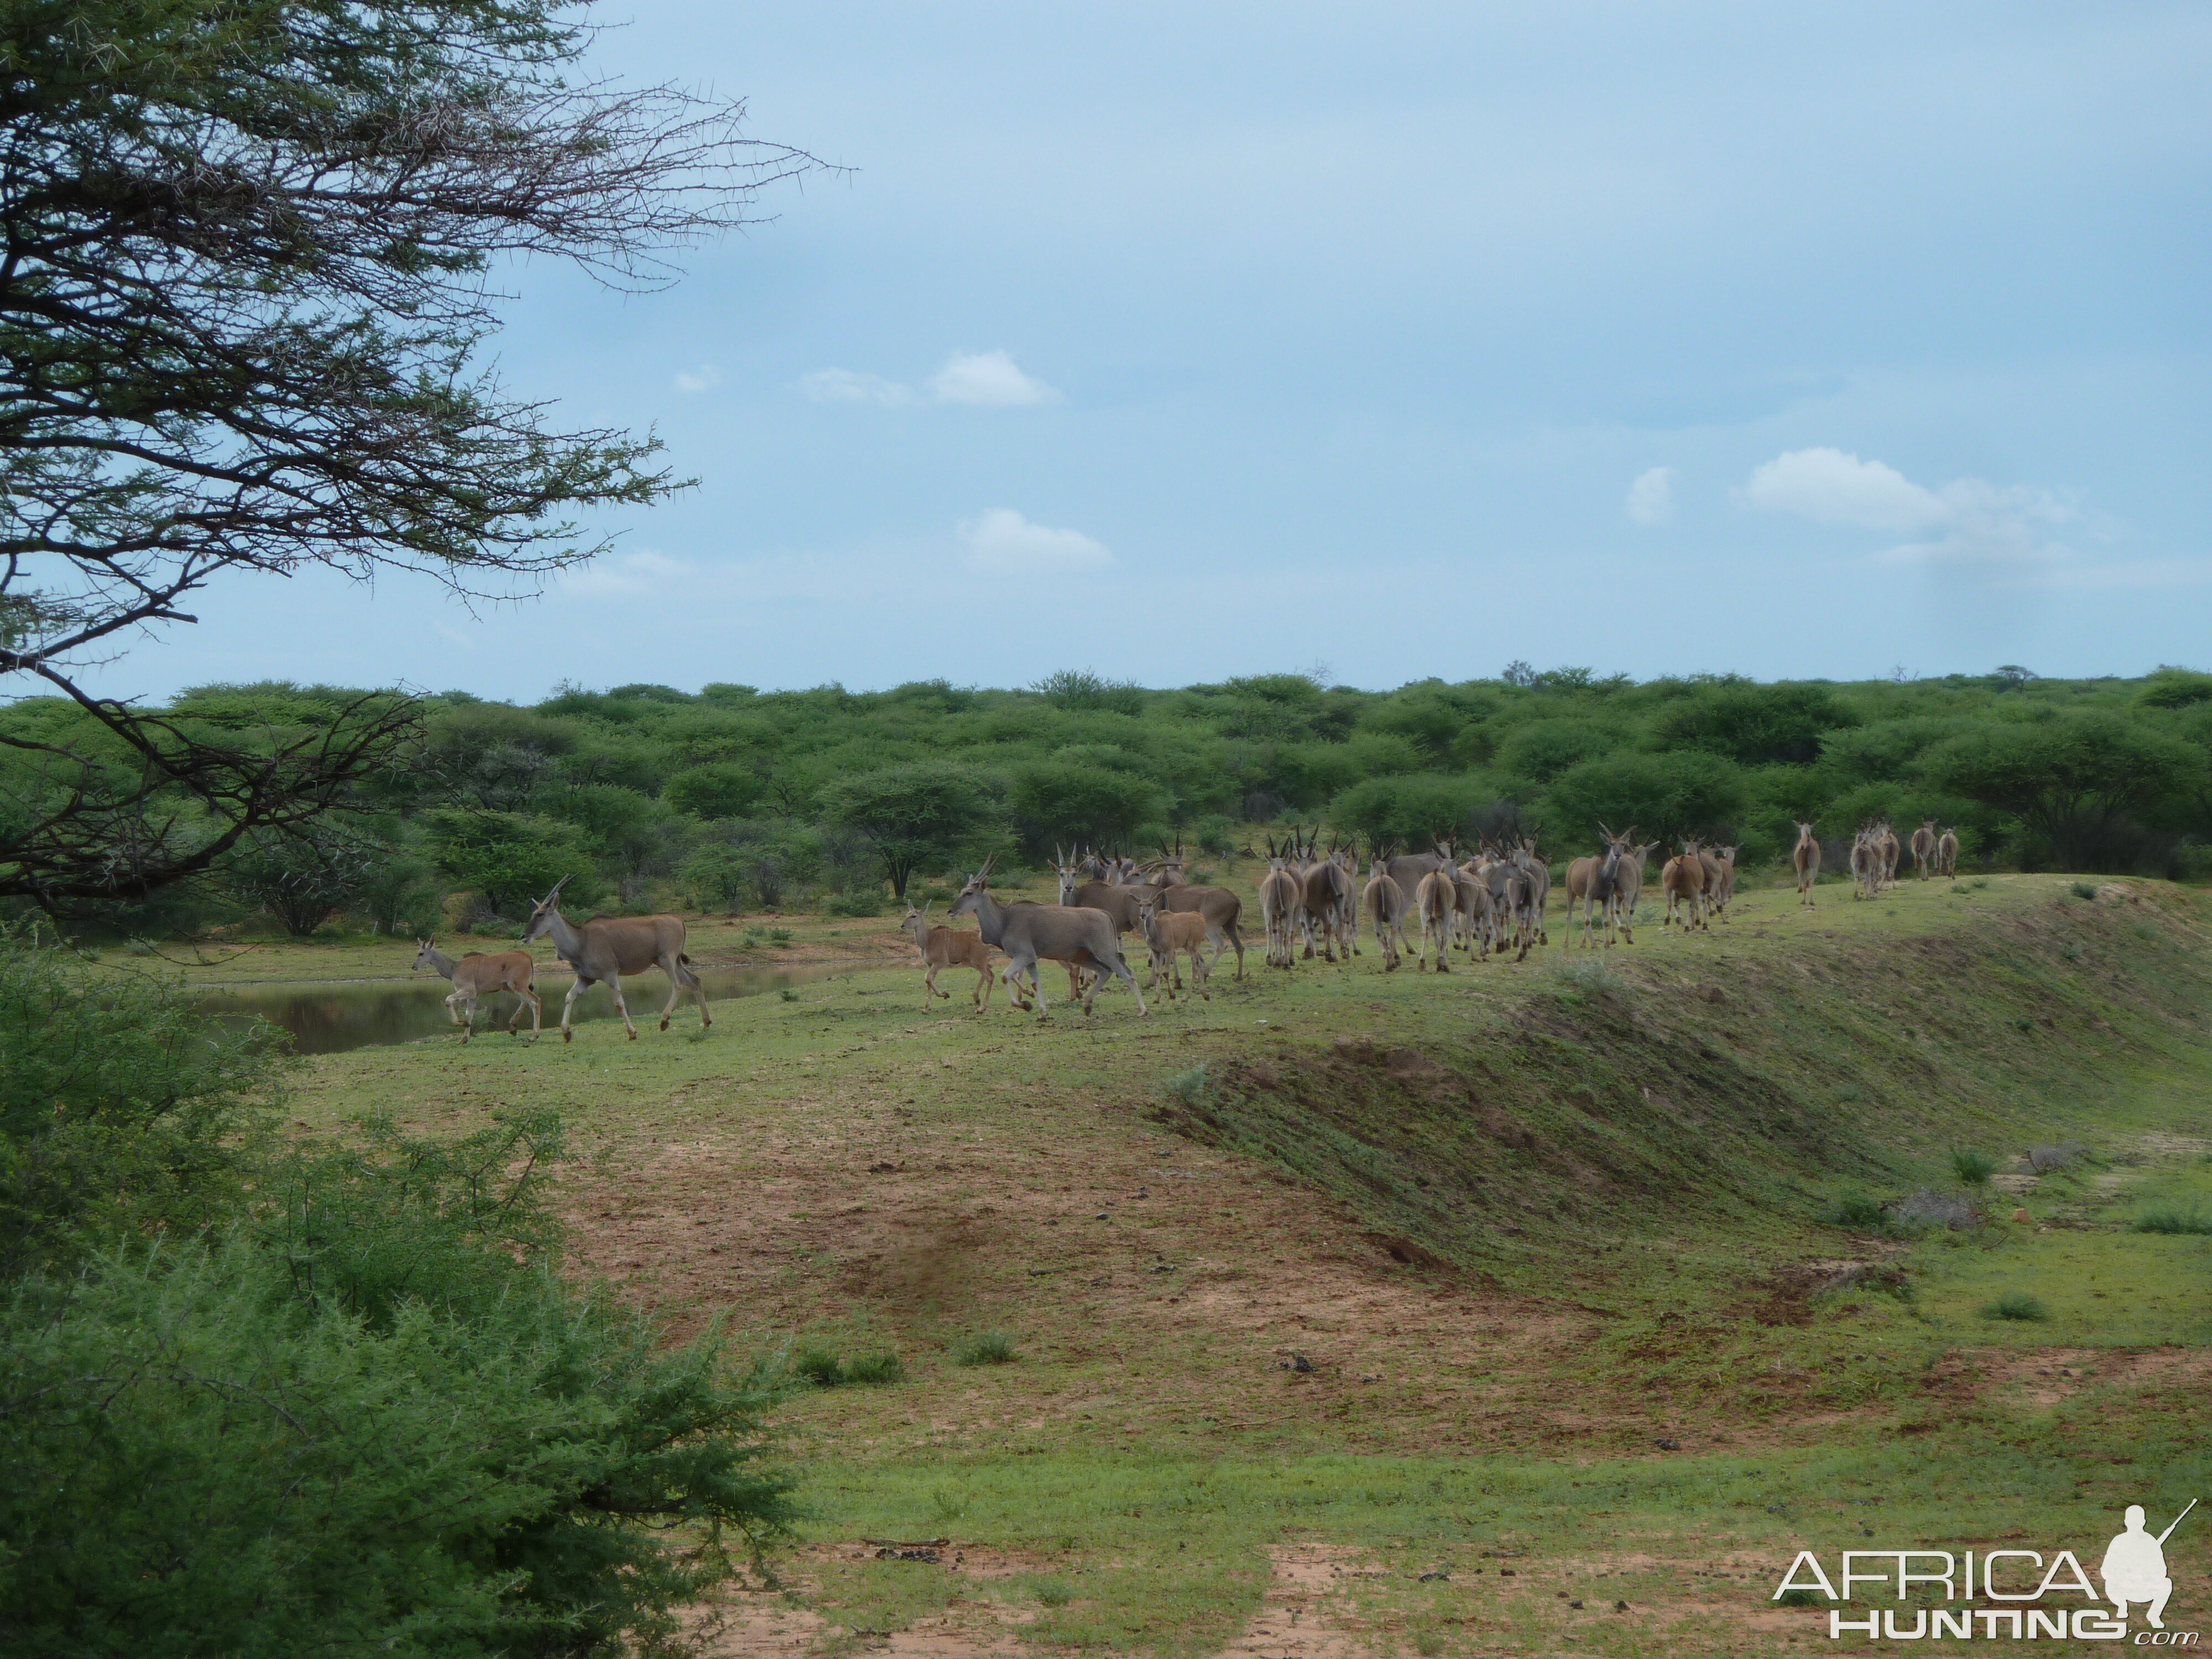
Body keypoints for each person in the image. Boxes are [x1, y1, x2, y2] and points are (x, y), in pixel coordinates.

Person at [2102, 1505, 2176, 1629]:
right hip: (2122, 1589)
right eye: (2132, 1522)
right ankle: (2122, 1605)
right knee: (2109, 1583)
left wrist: (2146, 1573)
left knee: (2166, 1583)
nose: (2135, 1525)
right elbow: (2106, 1570)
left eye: (2137, 1522)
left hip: (2145, 1589)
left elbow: (2162, 1571)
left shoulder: (2151, 1542)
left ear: (2143, 1522)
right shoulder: (2118, 1541)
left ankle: (2154, 1615)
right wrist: (2123, 1573)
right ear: (2126, 1523)